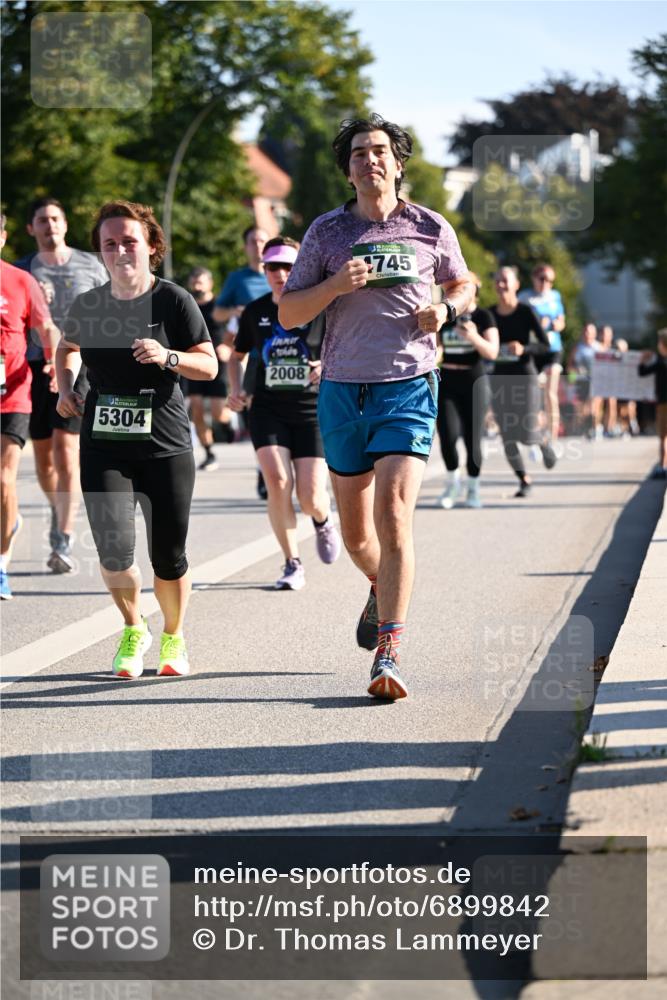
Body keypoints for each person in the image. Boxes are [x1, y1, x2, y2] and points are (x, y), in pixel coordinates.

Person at [279, 113, 473, 699]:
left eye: (381, 151)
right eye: (360, 153)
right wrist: (335, 285)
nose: (371, 160)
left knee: (393, 515)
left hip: (409, 383)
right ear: (348, 170)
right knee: (360, 536)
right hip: (342, 388)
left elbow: (464, 283)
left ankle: (388, 652)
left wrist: (448, 310)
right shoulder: (326, 233)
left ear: (398, 162)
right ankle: (377, 584)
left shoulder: (430, 226)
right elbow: (291, 313)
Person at [56, 201, 217, 677]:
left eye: (130, 241)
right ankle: (133, 627)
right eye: (110, 243)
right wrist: (66, 387)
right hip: (104, 442)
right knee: (113, 549)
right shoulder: (89, 304)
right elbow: (67, 348)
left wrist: (169, 357)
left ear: (151, 247)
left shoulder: (173, 300)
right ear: (101, 253)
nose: (121, 250)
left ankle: (173, 636)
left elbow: (206, 365)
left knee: (168, 555)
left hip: (165, 444)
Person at [228, 236, 342, 589]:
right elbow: (237, 356)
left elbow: (344, 349)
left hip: (312, 409)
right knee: (277, 482)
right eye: (272, 266)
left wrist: (326, 365)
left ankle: (323, 520)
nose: (279, 273)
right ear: (264, 270)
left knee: (310, 497)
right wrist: (237, 390)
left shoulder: (321, 307)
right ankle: (292, 563)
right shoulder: (255, 311)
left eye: (287, 266)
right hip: (266, 409)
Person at [15, 198, 108, 572]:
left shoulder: (91, 265)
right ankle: (60, 507)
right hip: (32, 366)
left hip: (79, 364)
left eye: (55, 218)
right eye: (42, 220)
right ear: (31, 229)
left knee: (66, 451)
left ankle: (63, 537)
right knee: (42, 458)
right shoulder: (22, 270)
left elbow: (110, 308)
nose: (49, 225)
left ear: (65, 224)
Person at [1, 214, 60, 600]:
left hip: (13, 391)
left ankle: (1, 564)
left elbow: (47, 326)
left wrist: (54, 359)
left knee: (4, 477)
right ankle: (10, 522)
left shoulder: (21, 280)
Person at [213, 225, 271, 499]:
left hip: (289, 357)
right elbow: (218, 314)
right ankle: (265, 468)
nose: (258, 246)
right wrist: (237, 310)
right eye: (252, 241)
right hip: (253, 357)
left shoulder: (286, 272)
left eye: (262, 240)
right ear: (246, 246)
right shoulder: (238, 279)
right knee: (258, 416)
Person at [489, 267, 555, 497]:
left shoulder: (526, 311)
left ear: (516, 284)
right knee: (507, 435)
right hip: (498, 378)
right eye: (497, 281)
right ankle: (524, 480)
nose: (501, 285)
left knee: (526, 433)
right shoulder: (490, 315)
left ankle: (543, 441)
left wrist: (524, 348)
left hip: (524, 376)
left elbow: (545, 345)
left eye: (505, 280)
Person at [436, 271, 499, 509]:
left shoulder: (484, 316)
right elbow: (439, 349)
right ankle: (452, 483)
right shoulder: (445, 313)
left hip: (474, 380)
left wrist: (473, 336)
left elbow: (492, 352)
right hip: (448, 378)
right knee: (448, 436)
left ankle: (473, 488)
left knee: (473, 439)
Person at [185, 266, 234, 471]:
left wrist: (229, 347)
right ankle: (209, 453)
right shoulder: (187, 306)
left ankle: (227, 421)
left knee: (217, 413)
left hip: (218, 365)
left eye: (201, 281)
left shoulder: (220, 307)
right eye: (194, 282)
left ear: (210, 284)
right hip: (194, 362)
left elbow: (239, 330)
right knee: (196, 409)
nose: (197, 285)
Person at [518, 263, 565, 445]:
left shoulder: (555, 296)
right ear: (534, 278)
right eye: (543, 279)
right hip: (534, 349)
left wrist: (551, 325)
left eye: (550, 280)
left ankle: (552, 436)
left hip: (553, 349)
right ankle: (536, 433)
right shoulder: (525, 298)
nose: (546, 283)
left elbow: (561, 322)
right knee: (535, 392)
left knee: (550, 393)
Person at [638, 329, 667, 478]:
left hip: (663, 404)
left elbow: (642, 372)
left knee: (663, 437)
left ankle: (663, 465)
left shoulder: (660, 363)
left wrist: (643, 360)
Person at [568, 323, 601, 438]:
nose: (587, 334)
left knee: (593, 406)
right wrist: (571, 378)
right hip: (580, 381)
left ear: (594, 334)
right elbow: (570, 364)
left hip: (595, 381)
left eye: (590, 332)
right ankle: (583, 428)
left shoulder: (598, 347)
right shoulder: (578, 348)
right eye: (586, 331)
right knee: (581, 407)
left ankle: (593, 428)